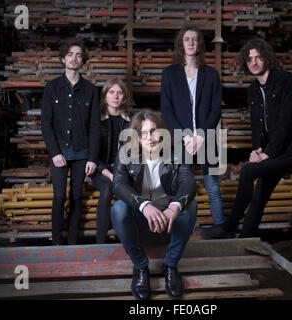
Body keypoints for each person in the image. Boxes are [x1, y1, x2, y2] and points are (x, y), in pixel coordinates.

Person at [197, 38, 292, 239]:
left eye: (258, 57)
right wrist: (257, 150)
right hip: (272, 152)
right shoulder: (253, 89)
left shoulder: (286, 80)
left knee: (248, 172)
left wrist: (268, 153)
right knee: (259, 194)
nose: (254, 62)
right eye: (250, 59)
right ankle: (243, 239)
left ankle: (228, 228)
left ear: (266, 58)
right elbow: (257, 126)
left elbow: (287, 121)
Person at [111, 110, 197, 300]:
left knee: (190, 205)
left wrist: (174, 206)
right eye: (142, 133)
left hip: (169, 223)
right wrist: (144, 205)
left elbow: (188, 182)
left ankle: (170, 265)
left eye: (153, 131)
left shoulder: (175, 152)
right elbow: (118, 185)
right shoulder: (126, 153)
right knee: (118, 209)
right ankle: (140, 267)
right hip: (140, 225)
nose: (149, 138)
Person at [160, 24, 224, 232]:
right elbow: (166, 110)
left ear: (200, 45)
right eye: (187, 39)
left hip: (207, 137)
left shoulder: (211, 74)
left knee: (212, 186)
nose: (191, 43)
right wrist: (186, 137)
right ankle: (180, 227)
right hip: (181, 138)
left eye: (195, 39)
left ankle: (219, 226)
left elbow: (216, 109)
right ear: (181, 43)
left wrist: (202, 136)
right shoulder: (169, 74)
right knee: (180, 186)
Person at [41, 41, 100, 245]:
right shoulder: (52, 87)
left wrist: (93, 158)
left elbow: (94, 127)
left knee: (76, 197)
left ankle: (72, 241)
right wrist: (55, 152)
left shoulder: (91, 90)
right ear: (63, 59)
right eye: (70, 54)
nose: (74, 58)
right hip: (60, 153)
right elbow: (46, 125)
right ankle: (57, 241)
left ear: (83, 61)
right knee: (59, 197)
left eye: (78, 55)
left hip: (82, 154)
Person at [91, 78, 131, 244]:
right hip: (101, 170)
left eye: (120, 92)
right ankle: (101, 241)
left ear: (124, 97)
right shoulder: (96, 121)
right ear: (105, 96)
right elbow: (92, 151)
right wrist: (108, 173)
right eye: (112, 92)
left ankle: (128, 238)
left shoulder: (130, 121)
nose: (116, 96)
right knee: (107, 189)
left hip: (122, 170)